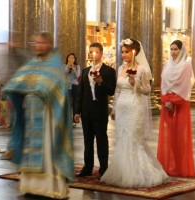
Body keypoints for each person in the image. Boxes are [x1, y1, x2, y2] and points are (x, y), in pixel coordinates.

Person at [3, 32, 74, 199]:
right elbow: (19, 80)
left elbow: (56, 87)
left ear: (49, 44)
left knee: (48, 150)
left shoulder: (55, 64)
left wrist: (40, 89)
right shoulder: (31, 63)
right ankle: (32, 186)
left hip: (49, 116)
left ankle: (51, 188)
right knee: (31, 149)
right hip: (31, 113)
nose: (37, 46)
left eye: (41, 43)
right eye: (34, 43)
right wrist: (11, 88)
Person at [100, 38, 168, 188]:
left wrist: (135, 84)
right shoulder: (120, 68)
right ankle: (122, 171)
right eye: (122, 52)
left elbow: (147, 90)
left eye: (126, 52)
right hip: (122, 109)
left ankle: (139, 173)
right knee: (122, 138)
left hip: (135, 108)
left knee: (133, 139)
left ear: (134, 52)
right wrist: (114, 108)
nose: (123, 55)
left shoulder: (142, 69)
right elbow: (117, 90)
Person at [74, 42, 116, 178]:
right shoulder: (85, 71)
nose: (93, 54)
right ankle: (88, 167)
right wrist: (77, 111)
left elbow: (111, 90)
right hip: (86, 111)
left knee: (101, 140)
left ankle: (104, 168)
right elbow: (81, 92)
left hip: (100, 111)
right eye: (91, 52)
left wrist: (100, 82)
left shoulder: (109, 71)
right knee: (87, 141)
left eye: (96, 52)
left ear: (101, 54)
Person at [157, 40, 195, 177]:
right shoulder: (167, 65)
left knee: (180, 136)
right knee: (170, 136)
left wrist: (173, 101)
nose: (173, 52)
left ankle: (181, 167)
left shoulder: (186, 66)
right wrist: (166, 100)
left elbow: (185, 87)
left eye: (175, 49)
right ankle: (169, 166)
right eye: (171, 49)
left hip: (180, 105)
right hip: (167, 105)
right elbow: (163, 84)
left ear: (181, 50)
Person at [64, 53, 81, 126]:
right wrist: (68, 66)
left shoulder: (77, 66)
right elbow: (64, 73)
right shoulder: (64, 66)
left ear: (74, 59)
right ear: (67, 59)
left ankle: (74, 120)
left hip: (75, 86)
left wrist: (74, 69)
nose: (71, 59)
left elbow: (77, 76)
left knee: (75, 103)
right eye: (70, 58)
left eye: (72, 58)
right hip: (67, 86)